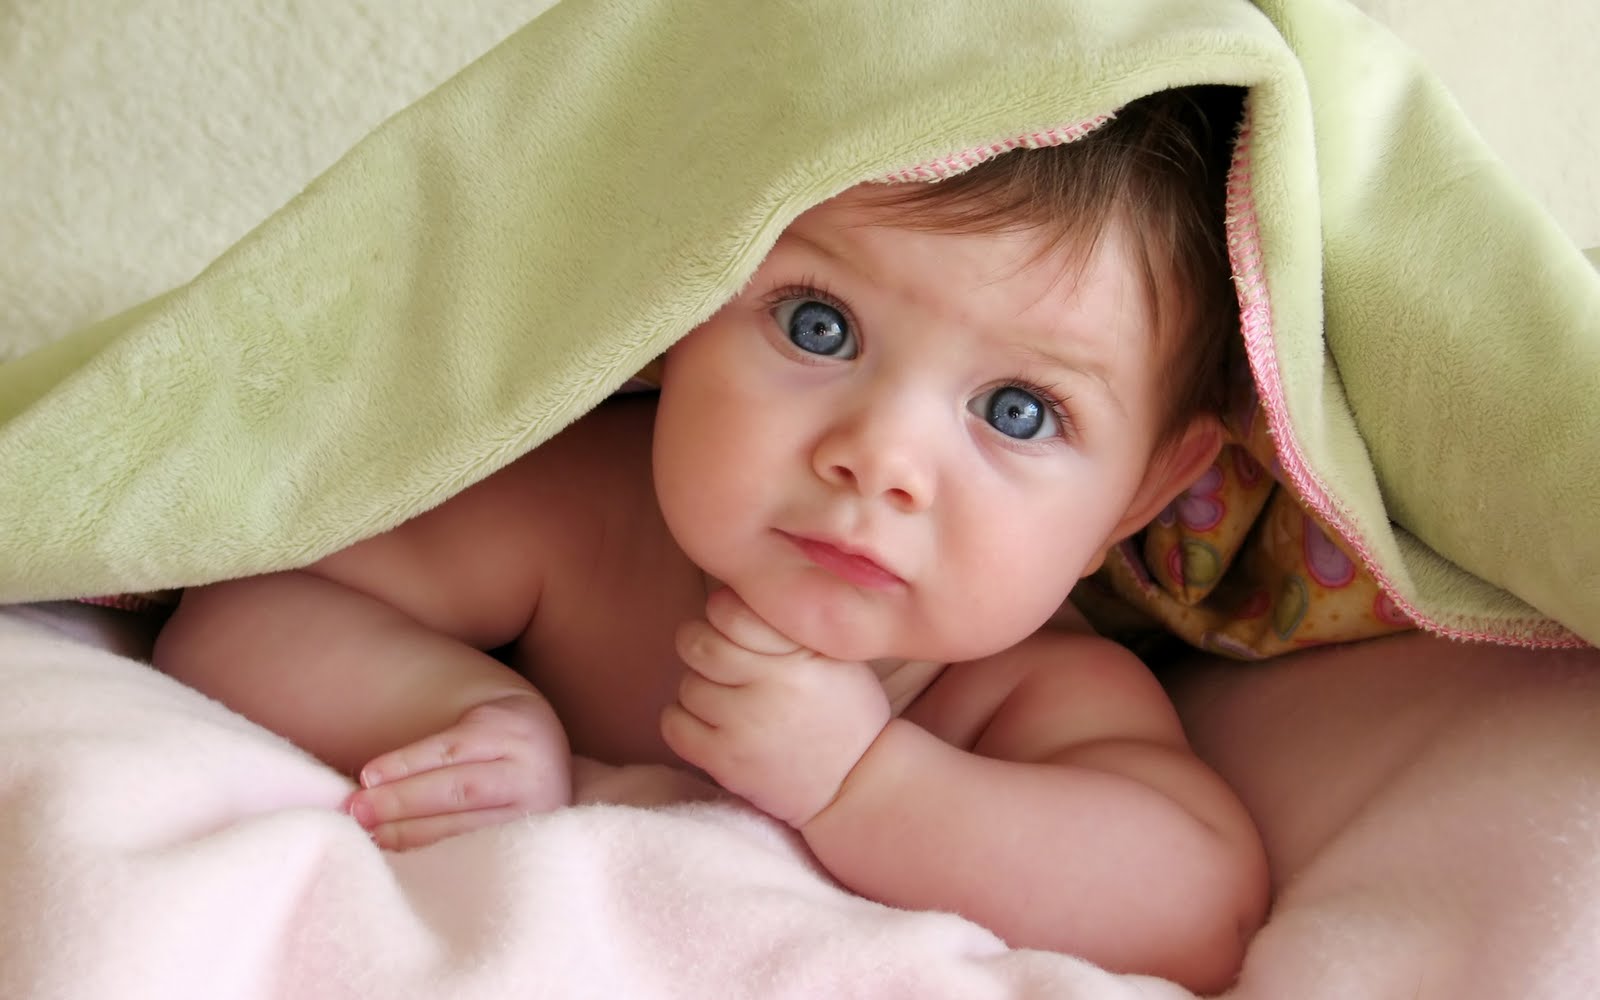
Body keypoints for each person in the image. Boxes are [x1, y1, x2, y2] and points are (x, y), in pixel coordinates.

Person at [152, 85, 1268, 993]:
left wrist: (867, 782)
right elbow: (245, 602)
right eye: (817, 325)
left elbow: (1193, 908)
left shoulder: (1023, 692)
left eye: (1017, 410)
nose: (877, 455)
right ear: (677, 304)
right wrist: (452, 710)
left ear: (1134, 499)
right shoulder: (585, 518)